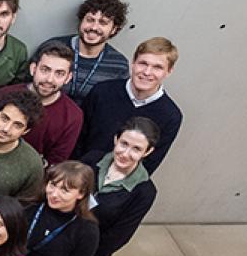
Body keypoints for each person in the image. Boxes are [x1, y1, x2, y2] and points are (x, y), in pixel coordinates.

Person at [78, 117, 159, 256]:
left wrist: (76, 251)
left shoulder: (144, 192)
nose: (125, 153)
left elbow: (116, 238)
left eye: (136, 149)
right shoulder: (92, 159)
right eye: (124, 144)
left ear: (148, 152)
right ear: (116, 140)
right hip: (53, 244)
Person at [75, 37, 182, 174]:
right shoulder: (102, 91)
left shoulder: (171, 116)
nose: (147, 72)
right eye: (143, 63)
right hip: (79, 175)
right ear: (133, 63)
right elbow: (78, 138)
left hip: (117, 188)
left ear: (169, 71)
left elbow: (148, 165)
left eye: (157, 67)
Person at [0, 41, 83, 165]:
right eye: (45, 70)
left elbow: (55, 163)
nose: (50, 79)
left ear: (68, 78)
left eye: (59, 74)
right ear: (33, 69)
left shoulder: (72, 116)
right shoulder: (3, 95)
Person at [40, 0, 131, 105]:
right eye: (90, 20)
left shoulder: (118, 65)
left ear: (114, 29)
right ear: (81, 21)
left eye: (103, 23)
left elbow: (115, 104)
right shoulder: (53, 47)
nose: (93, 27)